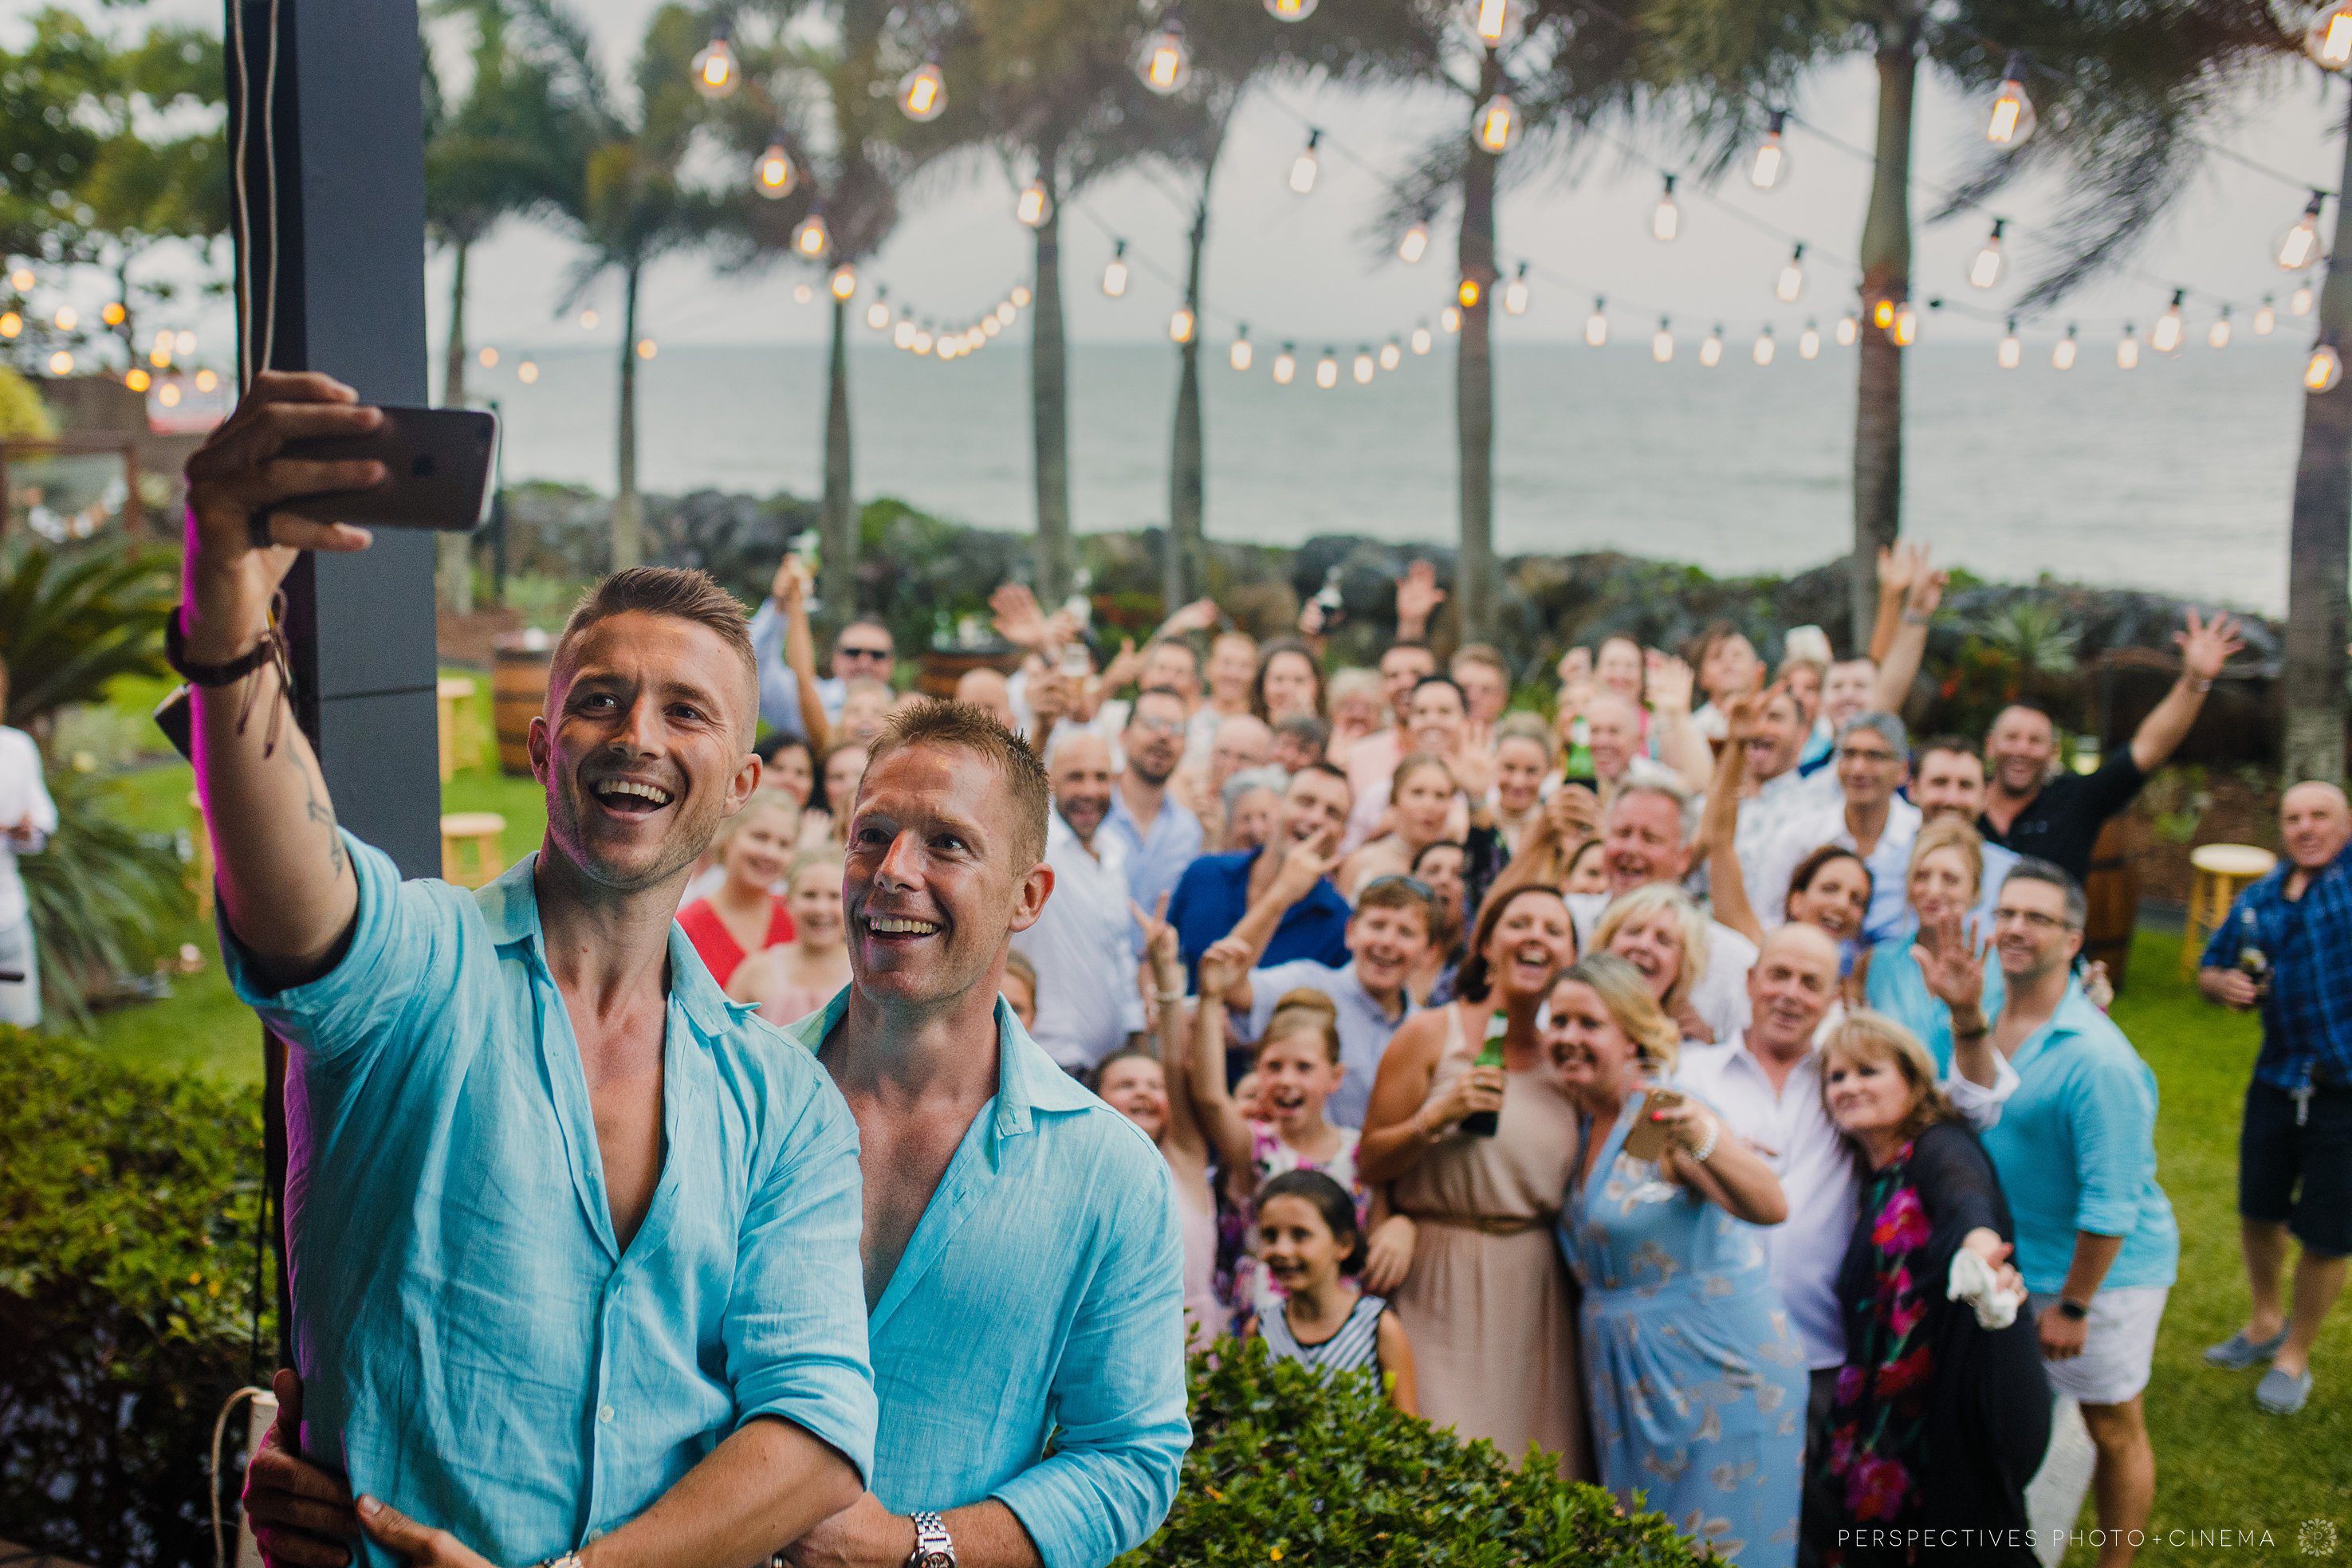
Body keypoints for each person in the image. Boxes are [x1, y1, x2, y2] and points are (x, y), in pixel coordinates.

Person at [201, 373, 873, 1568]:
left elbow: (815, 1425)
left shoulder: (782, 1105)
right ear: (542, 742)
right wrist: (225, 615)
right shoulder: (421, 967)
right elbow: (294, 892)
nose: (637, 735)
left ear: (744, 781)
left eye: (687, 712)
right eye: (601, 699)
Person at [1674, 924, 2012, 1565]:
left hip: (1822, 1358)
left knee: (1813, 1532)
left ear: (1834, 997)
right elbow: (1631, 1172)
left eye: (1811, 982)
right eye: (1778, 974)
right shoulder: (1691, 1072)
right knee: (1701, 1528)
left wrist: (1967, 1018)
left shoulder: (1842, 1077)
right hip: (1705, 1353)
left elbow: (1968, 1111)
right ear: (1749, 981)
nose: (1791, 993)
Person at [1547, 953, 1803, 1566]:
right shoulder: (1588, 1122)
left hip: (1718, 1369)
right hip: (1630, 1376)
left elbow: (1770, 1204)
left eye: (1588, 1023)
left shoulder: (1664, 1112)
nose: (1569, 1037)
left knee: (1719, 1549)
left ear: (1631, 1032)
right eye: (1558, 1022)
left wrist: (1708, 1137)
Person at [1974, 862, 2176, 1568]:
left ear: (2073, 939)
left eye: (2037, 917)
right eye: (2007, 913)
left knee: (2113, 1423)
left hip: (2102, 1275)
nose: (2016, 928)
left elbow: (2114, 1200)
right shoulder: (1983, 1018)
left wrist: (2077, 1305)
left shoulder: (2098, 1060)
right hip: (2021, 1258)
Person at [1359, 885, 1590, 1480]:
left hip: (1536, 1286)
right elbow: (1370, 1160)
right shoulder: (1431, 1034)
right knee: (1438, 1463)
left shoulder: (1571, 1056)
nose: (1535, 935)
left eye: (1553, 927)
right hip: (1437, 1272)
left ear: (1569, 955)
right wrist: (1433, 1118)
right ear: (1487, 943)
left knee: (1536, 1471)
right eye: (1519, 923)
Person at [1813, 1013, 2049, 1568]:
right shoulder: (1874, 1173)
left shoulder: (1937, 1144)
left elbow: (1964, 1193)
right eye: (1836, 1077)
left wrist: (1979, 1247)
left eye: (1867, 1070)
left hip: (1943, 1415)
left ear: (1914, 1080)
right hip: (1882, 1417)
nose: (1849, 1086)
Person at [2197, 780, 2352, 1416]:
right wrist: (2223, 984)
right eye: (2293, 817)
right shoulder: (2259, 899)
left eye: (2321, 815)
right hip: (2276, 1078)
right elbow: (2210, 966)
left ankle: (2296, 1357)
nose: (2306, 827)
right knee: (2257, 1207)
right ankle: (2265, 1322)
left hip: (2344, 1089)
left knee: (2327, 1229)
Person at [1976, 609, 2244, 883]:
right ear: (1990, 745)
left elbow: (2145, 751)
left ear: (2054, 752)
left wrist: (2194, 681)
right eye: (2011, 737)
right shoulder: (1960, 799)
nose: (2022, 749)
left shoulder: (2075, 802)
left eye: (2035, 741)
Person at [1205, 872, 1433, 1128]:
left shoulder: (1426, 1029)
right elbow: (1230, 985)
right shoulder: (1307, 983)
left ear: (1428, 952)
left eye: (1406, 932)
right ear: (1350, 932)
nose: (1388, 942)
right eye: (1377, 925)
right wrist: (1282, 894)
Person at [1566, 778, 1757, 1043]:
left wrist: (1710, 1047)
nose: (1631, 849)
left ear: (1684, 858)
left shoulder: (1733, 958)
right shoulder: (1568, 921)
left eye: (1650, 838)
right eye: (1622, 833)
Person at [1011, 731, 1145, 1074]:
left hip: (1109, 1065)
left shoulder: (1115, 851)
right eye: (1076, 777)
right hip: (1044, 1060)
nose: (1090, 790)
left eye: (1101, 777)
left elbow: (1118, 953)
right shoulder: (1034, 844)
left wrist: (1135, 1033)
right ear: (1050, 782)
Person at [1135, 911, 1234, 1351]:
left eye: (1151, 1086)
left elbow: (1174, 1064)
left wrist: (1165, 977)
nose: (1142, 1092)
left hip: (1195, 1342)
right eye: (1125, 1084)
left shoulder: (1184, 1157)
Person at [1249, 1169, 1419, 1413]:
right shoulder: (1261, 1330)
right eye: (1270, 1236)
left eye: (1300, 1235)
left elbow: (1406, 1430)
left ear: (1343, 1244)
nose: (1282, 1250)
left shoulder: (1378, 1327)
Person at [1167, 764, 1354, 984]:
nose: (1315, 819)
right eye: (1305, 802)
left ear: (1342, 835)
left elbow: (1221, 984)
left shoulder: (1341, 925)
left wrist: (1283, 892)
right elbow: (1158, 958)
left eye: (1332, 813)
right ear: (1276, 809)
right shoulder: (1205, 873)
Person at [1748, 713, 1921, 947]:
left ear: (1902, 770)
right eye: (1849, 754)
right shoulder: (1801, 836)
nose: (1858, 768)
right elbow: (1767, 918)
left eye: (1874, 756)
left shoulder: (1919, 836)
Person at [1858, 820, 2006, 1073]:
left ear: (1975, 892)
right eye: (1922, 876)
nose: (1933, 890)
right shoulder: (1878, 962)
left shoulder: (2000, 965)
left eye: (1950, 879)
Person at [1103, 687, 1204, 943]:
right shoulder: (1091, 813)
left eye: (1176, 728)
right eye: (1152, 724)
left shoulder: (1189, 830)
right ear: (1123, 736)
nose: (1163, 735)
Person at [675, 792, 801, 988]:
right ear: (728, 836)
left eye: (784, 844)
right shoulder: (685, 928)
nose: (771, 853)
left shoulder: (799, 916)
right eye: (760, 837)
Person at [729, 848, 851, 1026]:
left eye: (834, 896)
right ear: (788, 902)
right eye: (810, 895)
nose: (821, 909)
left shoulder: (867, 974)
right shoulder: (756, 971)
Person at [0, 653, 56, 1028]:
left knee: (22, 1035)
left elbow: (43, 822)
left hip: (8, 917)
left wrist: (26, 830)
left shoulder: (16, 748)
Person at [1341, 641, 1440, 850]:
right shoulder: (1359, 754)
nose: (1405, 683)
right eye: (1393, 676)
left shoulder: (1456, 756)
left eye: (1417, 674)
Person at [1591, 882, 1715, 1044]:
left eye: (1663, 940)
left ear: (1683, 968)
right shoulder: (1563, 1016)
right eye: (1633, 932)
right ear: (1606, 944)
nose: (1644, 945)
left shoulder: (1695, 1049)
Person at [746, 547, 843, 745]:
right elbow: (749, 664)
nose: (865, 660)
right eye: (853, 652)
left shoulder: (901, 707)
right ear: (836, 657)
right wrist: (781, 604)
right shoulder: (805, 694)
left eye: (878, 655)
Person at [1339, 752, 1454, 899]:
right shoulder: (1361, 862)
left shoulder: (1456, 867)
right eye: (1417, 793)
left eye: (1440, 796)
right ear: (1394, 801)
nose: (1429, 805)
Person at [1491, 714, 1553, 854]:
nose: (1518, 782)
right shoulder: (1474, 822)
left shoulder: (1555, 831)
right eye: (1509, 768)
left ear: (1548, 771)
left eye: (1531, 771)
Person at [1251, 638, 1325, 726]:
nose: (1289, 689)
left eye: (1299, 680)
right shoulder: (1245, 729)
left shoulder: (1335, 734)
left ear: (1317, 685)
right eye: (1279, 679)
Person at [1449, 643, 1512, 727]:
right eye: (1465, 688)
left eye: (1485, 690)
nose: (1473, 697)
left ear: (1503, 700)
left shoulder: (1516, 739)